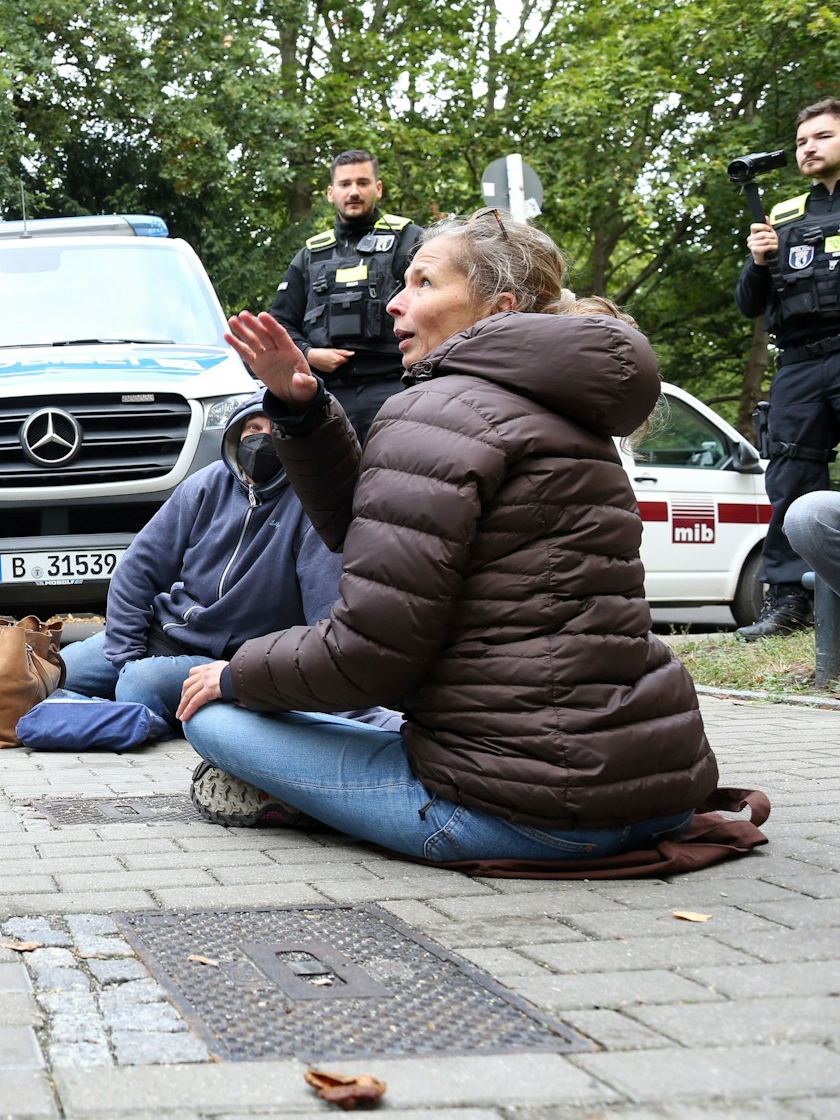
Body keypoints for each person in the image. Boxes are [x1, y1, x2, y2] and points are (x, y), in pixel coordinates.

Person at [182, 209, 718, 861]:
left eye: (423, 283)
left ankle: (292, 795)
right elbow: (385, 539)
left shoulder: (435, 407)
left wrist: (234, 674)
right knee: (301, 708)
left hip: (519, 809)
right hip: (650, 793)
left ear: (500, 307)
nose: (394, 303)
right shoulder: (569, 416)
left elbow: (368, 654)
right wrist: (304, 409)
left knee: (213, 717)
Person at [59, 394, 347, 725]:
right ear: (236, 435)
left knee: (140, 686)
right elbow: (137, 570)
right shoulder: (207, 484)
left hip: (235, 662)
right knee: (49, 677)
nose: (261, 438)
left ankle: (119, 715)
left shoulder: (312, 505)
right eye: (252, 428)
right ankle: (115, 715)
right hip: (165, 633)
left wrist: (257, 676)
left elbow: (324, 623)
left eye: (276, 429)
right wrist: (126, 656)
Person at [733, 100, 840, 638]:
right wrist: (758, 259)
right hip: (798, 362)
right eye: (801, 141)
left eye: (821, 137)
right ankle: (788, 601)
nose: (808, 148)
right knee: (790, 479)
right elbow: (749, 304)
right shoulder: (783, 216)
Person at [269, 150, 422, 441]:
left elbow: (440, 301)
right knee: (331, 480)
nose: (354, 191)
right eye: (345, 184)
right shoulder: (310, 255)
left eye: (363, 183)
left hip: (399, 384)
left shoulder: (410, 239)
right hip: (327, 392)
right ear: (331, 193)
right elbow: (281, 323)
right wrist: (309, 353)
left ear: (378, 188)